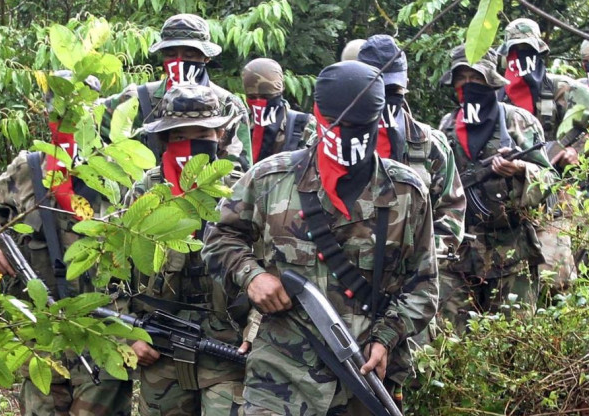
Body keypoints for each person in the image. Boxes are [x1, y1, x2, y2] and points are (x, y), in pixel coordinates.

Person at [202, 60, 438, 415]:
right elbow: (219, 237)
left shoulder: (406, 192)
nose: (347, 136)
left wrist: (386, 336)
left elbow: (424, 285)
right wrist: (253, 277)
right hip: (279, 376)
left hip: (365, 377)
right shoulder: (270, 178)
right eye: (338, 126)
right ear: (317, 116)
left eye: (360, 128)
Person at [0, 70, 133, 416]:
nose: (69, 121)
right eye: (60, 111)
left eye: (78, 112)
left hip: (102, 327)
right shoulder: (27, 168)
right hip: (41, 331)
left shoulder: (116, 170)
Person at [125, 84, 249, 416]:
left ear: (220, 134)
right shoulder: (143, 193)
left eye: (201, 135)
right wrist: (129, 334)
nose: (189, 147)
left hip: (227, 350)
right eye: (178, 136)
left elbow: (270, 270)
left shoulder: (242, 190)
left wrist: (255, 334)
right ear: (163, 138)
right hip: (160, 348)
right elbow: (112, 273)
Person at [437, 45, 555, 333]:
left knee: (516, 344)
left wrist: (521, 170)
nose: (467, 87)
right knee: (451, 344)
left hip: (511, 255)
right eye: (461, 80)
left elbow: (549, 182)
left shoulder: (519, 122)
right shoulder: (447, 127)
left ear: (490, 81)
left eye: (475, 79)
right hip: (458, 258)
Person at [357, 34, 465, 339]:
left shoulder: (430, 144)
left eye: (394, 89)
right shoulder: (342, 139)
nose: (387, 96)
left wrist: (424, 261)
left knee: (413, 375)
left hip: (411, 292)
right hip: (350, 284)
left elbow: (452, 209)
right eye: (377, 86)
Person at [497, 18, 589, 293]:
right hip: (511, 201)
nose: (520, 62)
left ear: (539, 54)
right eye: (515, 54)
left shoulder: (561, 89)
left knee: (556, 280)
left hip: (556, 196)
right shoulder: (496, 98)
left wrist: (577, 148)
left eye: (527, 54)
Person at [102, 14, 251, 170]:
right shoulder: (137, 99)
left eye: (189, 55)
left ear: (206, 57)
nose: (179, 60)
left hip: (207, 191)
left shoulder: (228, 105)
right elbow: (92, 128)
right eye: (171, 54)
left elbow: (239, 174)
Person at [241, 58, 315, 163]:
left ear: (281, 88)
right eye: (252, 97)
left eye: (266, 97)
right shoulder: (239, 125)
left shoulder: (304, 125)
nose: (259, 102)